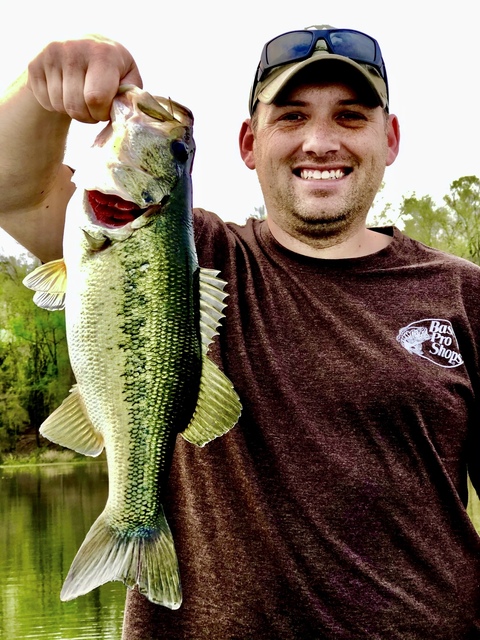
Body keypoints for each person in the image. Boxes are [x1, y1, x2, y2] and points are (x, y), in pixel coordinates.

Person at [1, 25, 480, 640]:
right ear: (249, 143)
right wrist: (46, 82)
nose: (320, 141)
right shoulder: (195, 254)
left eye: (351, 116)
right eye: (291, 116)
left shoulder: (465, 296)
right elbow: (15, 190)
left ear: (389, 140)